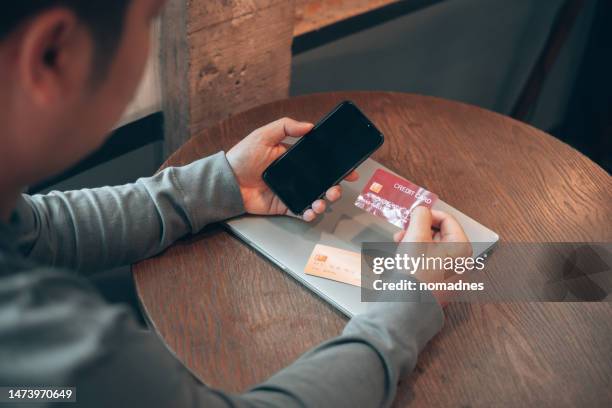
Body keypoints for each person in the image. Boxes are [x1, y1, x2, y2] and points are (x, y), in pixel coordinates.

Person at [0, 1, 470, 407]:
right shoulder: (63, 360)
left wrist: (221, 184)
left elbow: (38, 229)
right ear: (52, 54)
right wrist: (406, 305)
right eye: (147, 23)